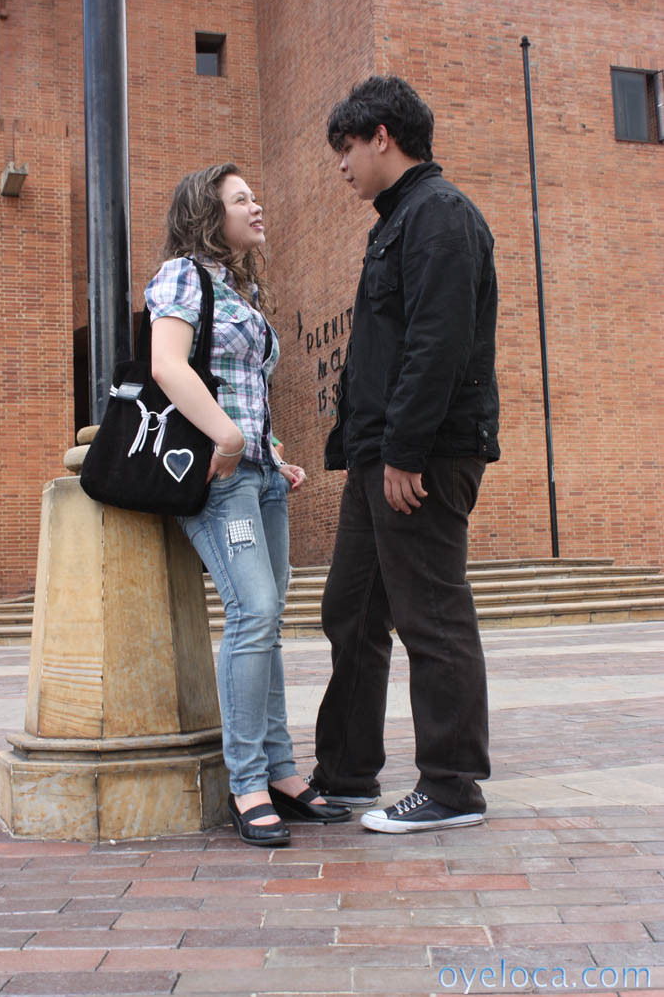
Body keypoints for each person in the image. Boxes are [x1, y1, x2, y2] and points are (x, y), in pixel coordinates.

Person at [310, 76, 500, 834]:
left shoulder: (440, 214)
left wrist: (405, 451)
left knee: (432, 615)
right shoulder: (397, 221)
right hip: (377, 457)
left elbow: (438, 342)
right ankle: (346, 775)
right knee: (351, 611)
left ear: (382, 136)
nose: (342, 165)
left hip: (419, 458)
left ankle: (452, 787)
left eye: (346, 148)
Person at [146, 164, 351, 846]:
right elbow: (167, 365)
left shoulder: (243, 290)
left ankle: (282, 770)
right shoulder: (183, 277)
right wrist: (230, 438)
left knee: (268, 622)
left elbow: (244, 387)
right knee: (254, 612)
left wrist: (270, 449)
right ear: (209, 214)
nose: (257, 205)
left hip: (260, 476)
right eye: (242, 199)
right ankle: (246, 783)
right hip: (218, 477)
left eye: (255, 196)